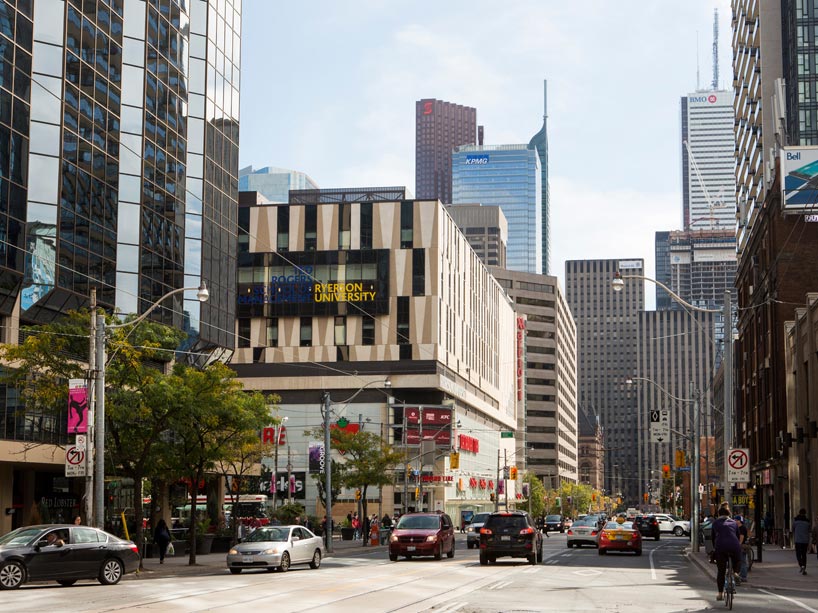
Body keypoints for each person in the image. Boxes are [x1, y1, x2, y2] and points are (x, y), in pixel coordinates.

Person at [712, 505, 742, 601]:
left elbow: (713, 537)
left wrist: (714, 548)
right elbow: (737, 535)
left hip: (721, 546)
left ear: (719, 514)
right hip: (734, 545)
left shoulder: (716, 523)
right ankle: (736, 572)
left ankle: (720, 594)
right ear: (729, 514)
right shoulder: (734, 523)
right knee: (738, 559)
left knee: (721, 571)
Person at [793, 508, 811, 575]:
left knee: (798, 554)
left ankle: (801, 565)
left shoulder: (795, 521)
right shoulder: (807, 522)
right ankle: (804, 567)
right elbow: (809, 531)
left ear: (799, 512)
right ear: (805, 513)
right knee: (804, 554)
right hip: (805, 541)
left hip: (798, 540)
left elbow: (793, 529)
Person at [734, 515, 749, 581]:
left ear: (739, 521)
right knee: (741, 561)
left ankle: (743, 576)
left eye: (736, 520)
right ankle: (741, 575)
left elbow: (741, 537)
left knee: (742, 561)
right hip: (739, 545)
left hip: (741, 546)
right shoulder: (737, 527)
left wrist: (739, 545)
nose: (735, 521)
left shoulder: (742, 528)